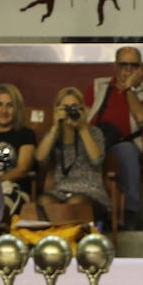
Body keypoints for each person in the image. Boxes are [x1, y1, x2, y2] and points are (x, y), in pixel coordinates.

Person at [86, 46, 143, 230]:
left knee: (126, 151)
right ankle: (89, 210)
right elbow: (84, 116)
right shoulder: (97, 85)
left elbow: (142, 117)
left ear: (140, 68)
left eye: (134, 65)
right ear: (115, 65)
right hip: (93, 140)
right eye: (123, 64)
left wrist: (129, 88)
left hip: (125, 143)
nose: (128, 69)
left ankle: (131, 212)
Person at [35, 86, 108, 222]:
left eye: (74, 107)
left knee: (75, 202)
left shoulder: (94, 133)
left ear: (82, 109)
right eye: (65, 108)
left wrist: (82, 127)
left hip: (90, 194)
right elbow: (40, 158)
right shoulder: (54, 135)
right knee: (44, 201)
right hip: (60, 194)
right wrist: (55, 127)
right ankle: (54, 240)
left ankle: (70, 239)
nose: (69, 112)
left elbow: (97, 159)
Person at [0, 83, 37, 218]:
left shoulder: (25, 134)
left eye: (10, 105)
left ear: (17, 109)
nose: (4, 111)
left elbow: (22, 170)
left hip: (14, 190)